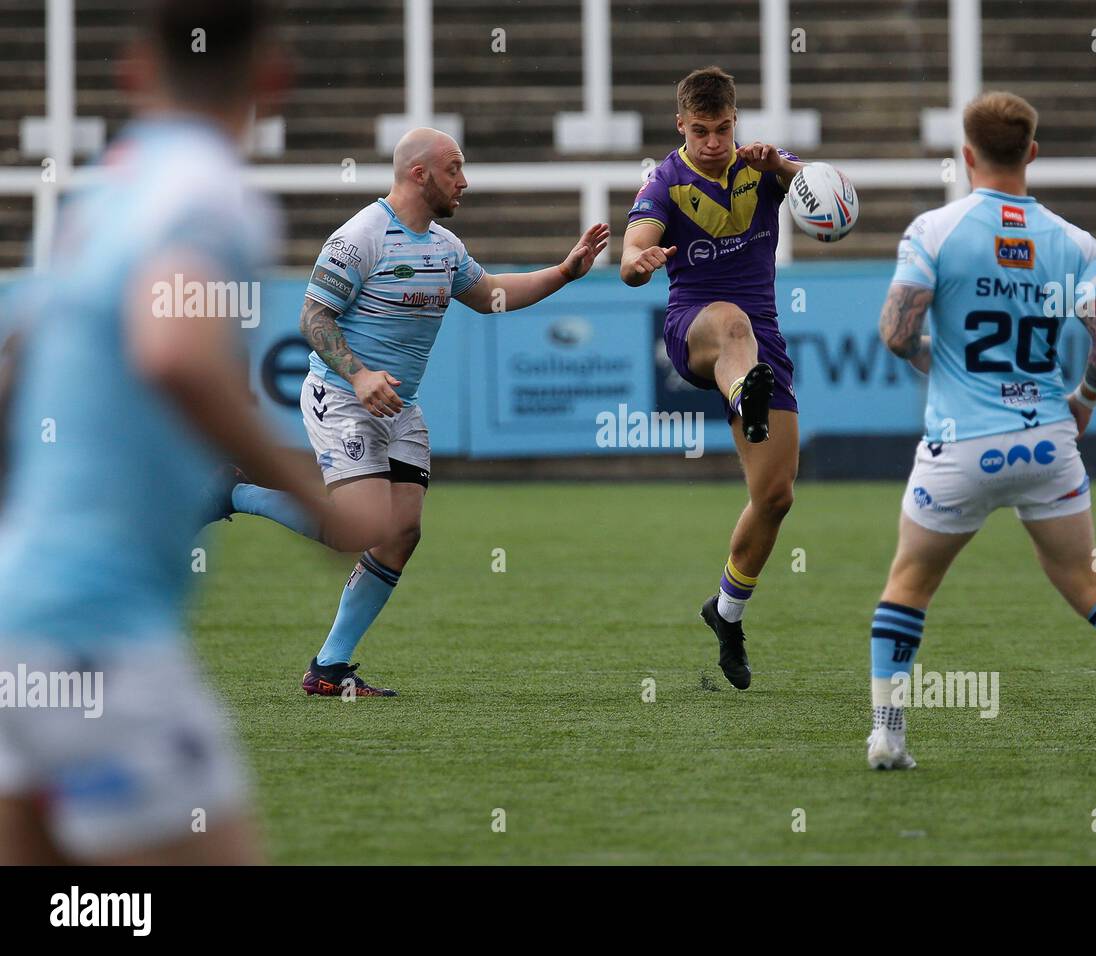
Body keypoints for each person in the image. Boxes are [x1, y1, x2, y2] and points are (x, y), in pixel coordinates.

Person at [0, 0, 383, 864]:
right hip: (97, 631)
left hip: (19, 613)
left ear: (133, 72)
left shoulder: (107, 191)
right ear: (272, 79)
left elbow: (21, 362)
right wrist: (310, 495)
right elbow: (172, 352)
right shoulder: (210, 191)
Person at [867, 91, 1096, 771]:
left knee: (908, 583)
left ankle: (889, 736)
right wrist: (1083, 399)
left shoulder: (935, 229)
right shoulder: (1076, 243)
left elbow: (896, 330)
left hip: (961, 442)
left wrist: (934, 364)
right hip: (1047, 439)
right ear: (1032, 153)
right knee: (1083, 577)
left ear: (966, 155)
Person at [218, 127, 610, 696]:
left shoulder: (444, 248)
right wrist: (359, 373)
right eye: (455, 168)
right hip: (343, 397)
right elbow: (313, 319)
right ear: (419, 173)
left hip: (398, 407)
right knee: (358, 529)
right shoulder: (361, 236)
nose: (465, 180)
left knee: (401, 533)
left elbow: (491, 295)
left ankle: (329, 668)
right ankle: (236, 493)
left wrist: (564, 271)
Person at [620, 65, 806, 690]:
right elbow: (631, 255)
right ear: (680, 126)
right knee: (730, 323)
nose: (712, 142)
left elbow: (833, 200)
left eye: (722, 129)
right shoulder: (665, 181)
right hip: (695, 329)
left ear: (735, 121)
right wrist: (638, 263)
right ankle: (740, 391)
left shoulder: (764, 165)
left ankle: (726, 612)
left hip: (764, 339)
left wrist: (785, 168)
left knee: (775, 496)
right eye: (699, 131)